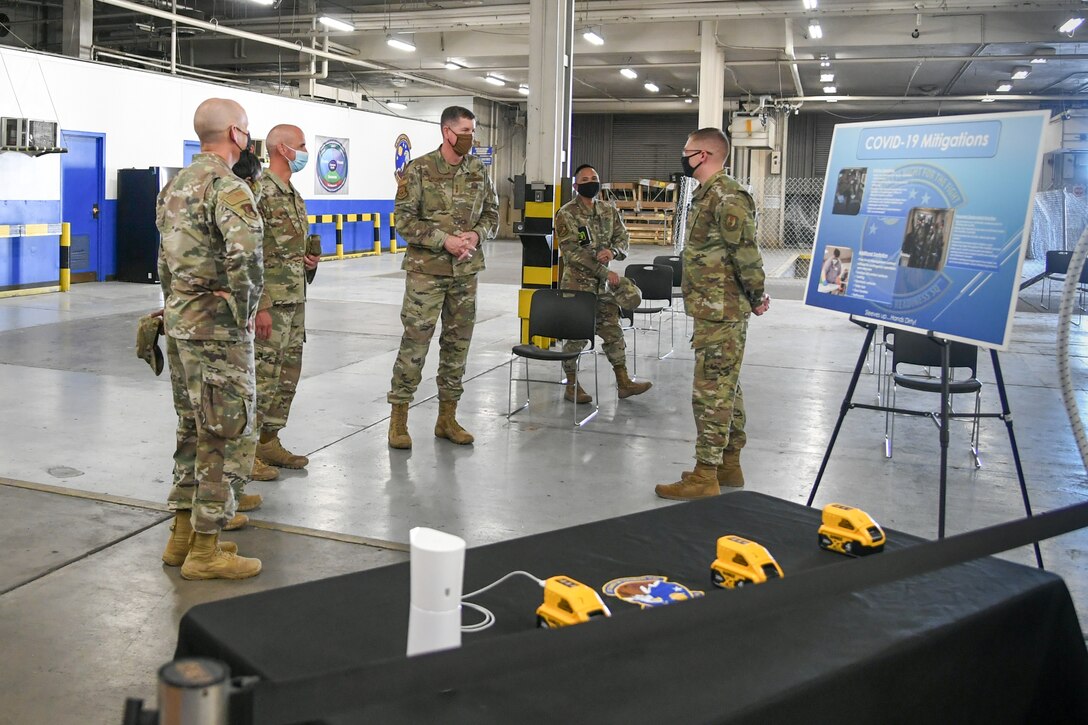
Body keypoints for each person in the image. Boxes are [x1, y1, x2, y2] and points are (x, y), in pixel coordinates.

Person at [156, 97, 265, 578]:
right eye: (247, 131)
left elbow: (163, 258)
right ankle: (205, 551)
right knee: (223, 432)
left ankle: (180, 537)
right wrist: (242, 312)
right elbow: (247, 257)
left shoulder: (173, 185)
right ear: (236, 135)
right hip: (217, 330)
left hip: (180, 323)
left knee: (190, 429)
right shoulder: (228, 186)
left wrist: (173, 305)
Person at [655, 127, 770, 501]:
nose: (682, 156)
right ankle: (728, 464)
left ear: (702, 155)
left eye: (686, 150)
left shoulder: (726, 196)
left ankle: (706, 474)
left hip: (723, 310)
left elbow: (746, 253)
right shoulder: (708, 194)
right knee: (727, 387)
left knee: (710, 393)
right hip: (712, 308)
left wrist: (757, 293)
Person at [386, 105, 499, 449]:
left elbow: (492, 213)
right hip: (426, 276)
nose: (470, 137)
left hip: (465, 273)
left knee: (457, 346)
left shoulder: (478, 169)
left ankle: (447, 418)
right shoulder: (418, 170)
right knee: (415, 344)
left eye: (472, 131)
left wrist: (476, 236)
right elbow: (404, 222)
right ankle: (399, 420)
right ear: (446, 132)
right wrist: (444, 240)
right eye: (464, 131)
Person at [250, 124, 320, 480]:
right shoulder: (259, 193)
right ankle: (246, 453)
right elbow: (250, 254)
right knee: (263, 377)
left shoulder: (294, 195)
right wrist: (260, 305)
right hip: (271, 306)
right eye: (303, 145)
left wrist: (309, 264)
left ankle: (269, 440)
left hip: (296, 303)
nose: (306, 151)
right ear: (283, 149)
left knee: (287, 378)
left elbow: (289, 252)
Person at [553, 163, 651, 403]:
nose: (590, 182)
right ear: (576, 186)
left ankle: (623, 382)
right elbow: (572, 252)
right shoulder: (566, 214)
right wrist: (603, 271)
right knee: (575, 337)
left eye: (594, 177)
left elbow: (623, 237)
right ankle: (572, 385)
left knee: (612, 331)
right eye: (585, 179)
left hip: (603, 287)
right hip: (577, 287)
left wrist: (614, 252)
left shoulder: (608, 210)